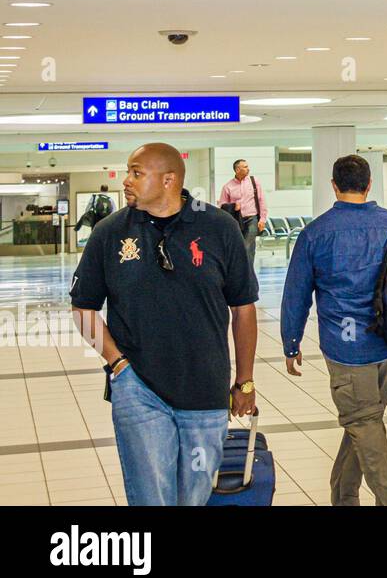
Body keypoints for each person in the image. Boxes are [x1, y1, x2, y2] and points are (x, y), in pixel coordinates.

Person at [70, 143, 258, 506]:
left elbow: (243, 307)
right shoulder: (110, 233)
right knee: (151, 497)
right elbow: (83, 309)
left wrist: (245, 381)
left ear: (169, 179)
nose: (126, 181)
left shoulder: (218, 226)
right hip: (138, 390)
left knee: (194, 497)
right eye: (128, 171)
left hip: (205, 389)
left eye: (136, 173)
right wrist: (118, 365)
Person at [281, 155, 387, 506]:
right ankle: (344, 496)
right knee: (365, 425)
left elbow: (296, 293)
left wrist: (291, 342)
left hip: (346, 350)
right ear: (370, 184)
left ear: (333, 185)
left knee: (365, 429)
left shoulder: (316, 232)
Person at [219, 159, 267, 275]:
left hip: (252, 218)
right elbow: (222, 205)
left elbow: (261, 201)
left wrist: (262, 219)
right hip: (236, 221)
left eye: (247, 166)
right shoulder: (228, 186)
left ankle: (246, 273)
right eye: (244, 167)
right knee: (246, 248)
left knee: (247, 245)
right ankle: (246, 274)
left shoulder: (254, 182)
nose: (248, 169)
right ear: (237, 170)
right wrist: (233, 206)